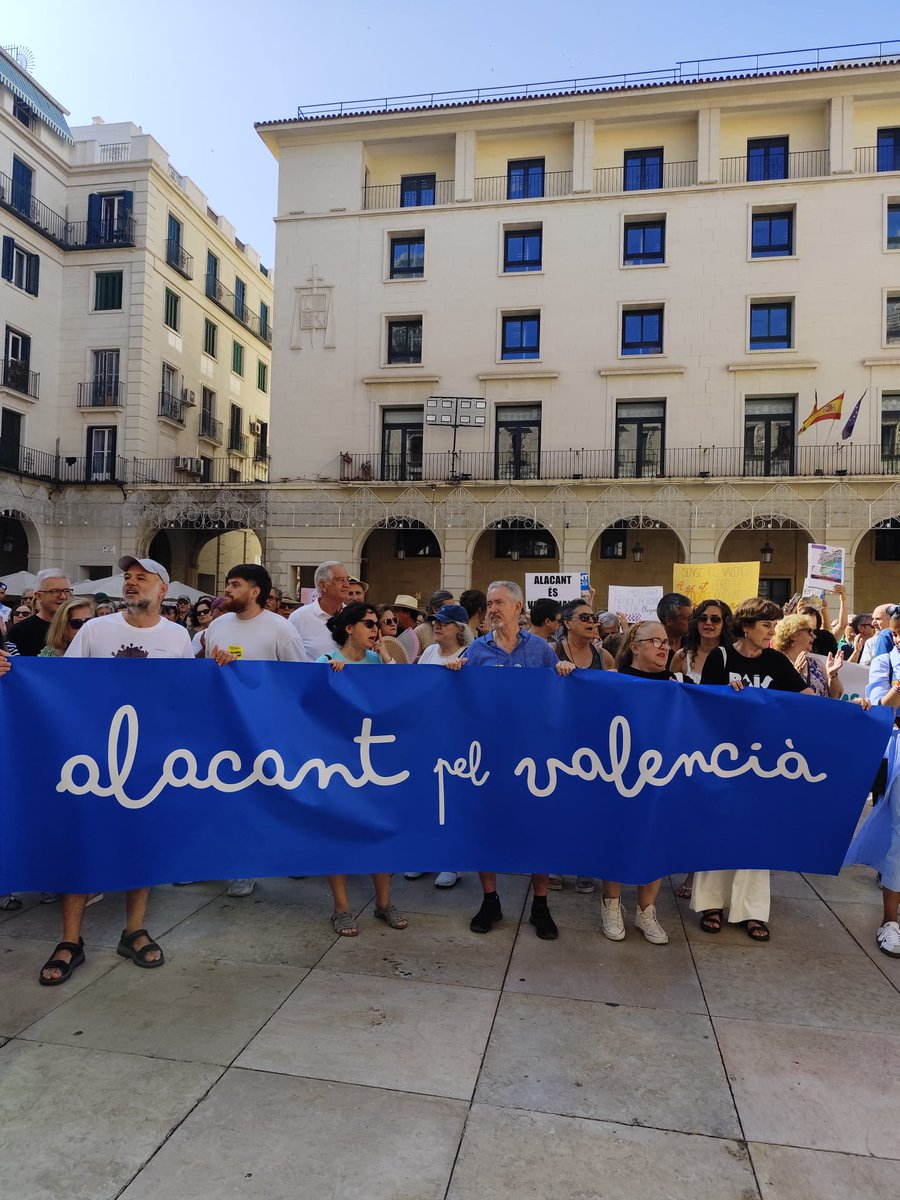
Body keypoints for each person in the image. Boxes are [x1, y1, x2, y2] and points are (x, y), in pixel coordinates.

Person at [36, 556, 193, 986]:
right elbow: (60, 689)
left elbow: (190, 697)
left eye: (142, 577)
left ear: (162, 589)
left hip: (148, 761)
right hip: (91, 760)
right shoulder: (94, 630)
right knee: (82, 842)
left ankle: (134, 929)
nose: (131, 583)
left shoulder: (179, 637)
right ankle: (71, 940)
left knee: (141, 842)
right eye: (127, 577)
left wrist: (219, 667)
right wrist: (13, 676)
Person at [693, 597, 812, 943]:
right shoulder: (721, 658)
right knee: (718, 829)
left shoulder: (776, 660)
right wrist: (726, 695)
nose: (772, 632)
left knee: (756, 835)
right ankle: (711, 904)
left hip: (765, 764)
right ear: (747, 627)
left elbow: (805, 697)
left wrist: (855, 707)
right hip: (723, 759)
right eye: (766, 626)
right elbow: (703, 706)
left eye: (774, 626)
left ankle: (752, 911)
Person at [461, 581, 575, 940]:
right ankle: (490, 900)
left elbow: (561, 694)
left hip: (533, 755)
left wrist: (565, 672)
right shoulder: (476, 651)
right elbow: (462, 698)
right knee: (487, 826)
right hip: (490, 755)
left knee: (537, 824)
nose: (491, 609)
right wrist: (450, 674)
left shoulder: (541, 650)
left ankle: (540, 905)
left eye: (498, 602)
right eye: (488, 603)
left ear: (517, 607)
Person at [204, 564, 307, 898]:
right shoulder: (217, 626)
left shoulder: (281, 629)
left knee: (268, 796)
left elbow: (297, 682)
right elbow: (208, 677)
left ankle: (276, 857)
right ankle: (233, 863)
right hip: (225, 725)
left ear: (255, 591)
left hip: (268, 728)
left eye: (235, 584)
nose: (228, 590)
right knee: (229, 795)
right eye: (227, 583)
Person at [594, 621, 693, 945]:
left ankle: (646, 911)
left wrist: (733, 692)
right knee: (616, 840)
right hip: (619, 776)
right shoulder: (612, 680)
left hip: (662, 777)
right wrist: (567, 671)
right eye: (655, 641)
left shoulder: (680, 682)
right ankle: (611, 906)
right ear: (635, 646)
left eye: (666, 642)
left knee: (655, 841)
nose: (665, 647)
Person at [315, 602, 407, 936]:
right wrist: (329, 680)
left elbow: (401, 693)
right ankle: (341, 909)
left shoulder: (377, 661)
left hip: (375, 759)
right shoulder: (325, 662)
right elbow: (310, 709)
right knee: (337, 830)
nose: (376, 630)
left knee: (379, 828)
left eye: (378, 625)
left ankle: (384, 903)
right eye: (370, 624)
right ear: (349, 627)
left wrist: (384, 656)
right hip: (337, 759)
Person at [548, 600, 615, 894]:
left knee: (590, 804)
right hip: (560, 740)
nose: (592, 622)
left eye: (595, 617)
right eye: (585, 617)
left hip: (594, 741)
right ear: (567, 622)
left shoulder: (604, 655)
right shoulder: (551, 652)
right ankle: (555, 863)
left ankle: (586, 865)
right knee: (559, 802)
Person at [771, 613, 844, 698]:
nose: (814, 636)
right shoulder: (777, 664)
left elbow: (836, 696)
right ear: (794, 635)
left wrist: (832, 675)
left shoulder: (816, 664)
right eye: (810, 631)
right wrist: (797, 675)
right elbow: (779, 697)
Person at [289, 560, 351, 659]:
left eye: (347, 579)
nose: (347, 585)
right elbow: (290, 657)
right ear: (323, 586)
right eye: (340, 580)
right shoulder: (300, 617)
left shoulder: (353, 616)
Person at [9, 569, 73, 656]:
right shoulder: (19, 631)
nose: (62, 596)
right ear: (38, 596)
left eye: (67, 591)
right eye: (55, 591)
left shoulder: (77, 626)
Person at [670, 599, 734, 683]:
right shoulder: (682, 656)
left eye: (715, 619)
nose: (708, 623)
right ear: (696, 623)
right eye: (703, 618)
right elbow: (670, 690)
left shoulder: (733, 657)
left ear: (725, 624)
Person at [657, 592, 693, 660]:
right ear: (669, 621)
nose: (691, 621)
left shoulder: (692, 642)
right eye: (686, 619)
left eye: (692, 617)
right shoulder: (655, 646)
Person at [860, 603, 896, 667]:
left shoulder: (884, 636)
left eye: (878, 619)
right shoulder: (871, 642)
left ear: (892, 619)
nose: (873, 623)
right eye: (873, 619)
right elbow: (864, 668)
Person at [390, 594, 424, 662]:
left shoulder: (420, 632)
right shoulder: (395, 632)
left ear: (407, 613)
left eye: (397, 611)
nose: (393, 614)